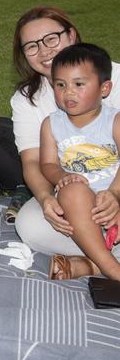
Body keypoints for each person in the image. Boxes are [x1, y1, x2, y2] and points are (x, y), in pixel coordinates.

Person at [11, 6, 120, 259]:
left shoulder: (112, 78)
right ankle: (105, 254)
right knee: (30, 226)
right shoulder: (28, 100)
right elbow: (32, 161)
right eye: (31, 46)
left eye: (51, 38)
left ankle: (92, 264)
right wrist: (45, 198)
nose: (44, 50)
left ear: (71, 36)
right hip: (75, 196)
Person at [39, 43, 120, 280]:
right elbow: (47, 164)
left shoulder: (114, 121)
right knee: (72, 191)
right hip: (81, 207)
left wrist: (115, 194)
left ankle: (92, 265)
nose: (68, 92)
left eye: (79, 84)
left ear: (104, 88)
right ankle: (112, 268)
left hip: (114, 195)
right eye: (60, 85)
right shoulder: (51, 124)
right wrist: (61, 177)